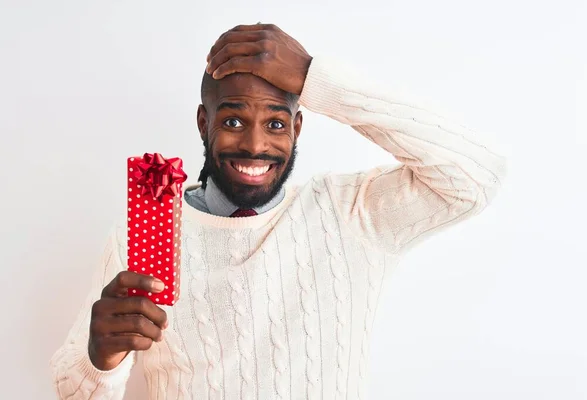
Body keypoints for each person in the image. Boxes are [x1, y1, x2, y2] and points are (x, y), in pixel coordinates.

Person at [50, 23, 506, 399]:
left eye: (275, 123)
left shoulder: (351, 214)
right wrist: (98, 361)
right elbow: (70, 392)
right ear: (203, 122)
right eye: (232, 121)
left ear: (298, 126)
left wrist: (318, 79)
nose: (254, 145)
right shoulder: (141, 238)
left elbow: (477, 175)